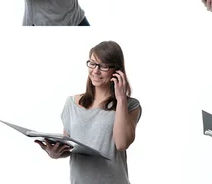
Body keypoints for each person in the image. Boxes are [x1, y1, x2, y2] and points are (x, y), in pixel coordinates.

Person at [34, 41, 141, 184]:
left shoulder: (130, 105)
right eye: (92, 63)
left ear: (117, 70)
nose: (96, 71)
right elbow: (68, 146)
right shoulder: (72, 103)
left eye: (103, 66)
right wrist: (55, 153)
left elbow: (121, 144)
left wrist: (121, 98)